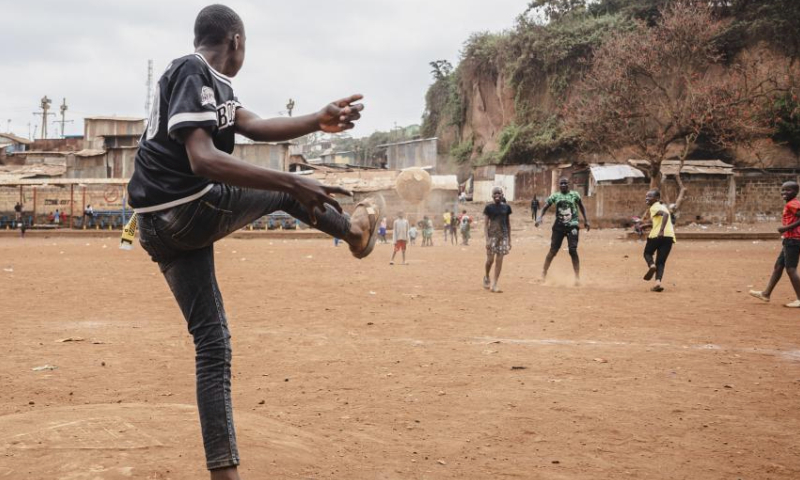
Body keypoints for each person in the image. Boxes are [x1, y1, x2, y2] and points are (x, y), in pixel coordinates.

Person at [125, 5, 383, 479]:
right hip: (185, 208)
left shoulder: (217, 89)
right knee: (281, 187)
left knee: (213, 342)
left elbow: (254, 125)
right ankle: (353, 231)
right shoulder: (191, 68)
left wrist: (316, 119)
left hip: (162, 228)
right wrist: (289, 183)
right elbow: (203, 160)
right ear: (236, 42)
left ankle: (224, 473)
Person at [749, 181, 800, 308]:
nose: (784, 192)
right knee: (778, 266)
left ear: (795, 192)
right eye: (783, 190)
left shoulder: (793, 203)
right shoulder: (791, 203)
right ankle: (766, 293)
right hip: (790, 240)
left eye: (788, 190)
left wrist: (785, 228)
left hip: (793, 240)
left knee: (791, 269)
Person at [535, 177, 590, 285]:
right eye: (561, 183)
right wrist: (539, 217)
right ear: (559, 185)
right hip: (559, 226)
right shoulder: (555, 196)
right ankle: (543, 273)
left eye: (565, 183)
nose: (564, 185)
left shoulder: (575, 195)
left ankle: (577, 278)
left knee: (572, 250)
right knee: (553, 251)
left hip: (572, 226)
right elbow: (545, 207)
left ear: (568, 184)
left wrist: (586, 220)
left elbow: (582, 207)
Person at [641, 189, 676, 292]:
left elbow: (665, 215)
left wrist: (661, 230)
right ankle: (657, 283)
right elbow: (661, 218)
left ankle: (651, 265)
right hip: (669, 237)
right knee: (660, 262)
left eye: (650, 196)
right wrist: (646, 225)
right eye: (646, 196)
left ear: (657, 198)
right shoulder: (662, 206)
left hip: (657, 235)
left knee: (647, 253)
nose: (647, 198)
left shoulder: (654, 207)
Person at [483, 186, 512, 292]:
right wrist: (487, 240)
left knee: (499, 260)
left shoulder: (506, 208)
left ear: (502, 195)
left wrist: (509, 240)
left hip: (503, 236)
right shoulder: (488, 208)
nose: (497, 195)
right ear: (492, 196)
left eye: (499, 193)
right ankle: (486, 276)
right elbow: (486, 225)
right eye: (495, 194)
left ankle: (494, 284)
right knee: (490, 260)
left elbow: (508, 224)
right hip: (492, 236)